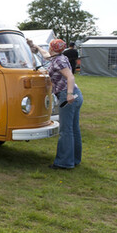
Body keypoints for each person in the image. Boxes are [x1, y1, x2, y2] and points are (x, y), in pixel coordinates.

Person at [29, 38, 83, 169]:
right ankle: (75, 159)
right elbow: (46, 55)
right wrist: (34, 45)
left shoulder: (58, 61)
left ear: (52, 48)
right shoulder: (60, 57)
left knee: (66, 130)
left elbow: (70, 76)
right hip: (77, 95)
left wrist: (69, 94)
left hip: (67, 96)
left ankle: (64, 163)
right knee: (74, 129)